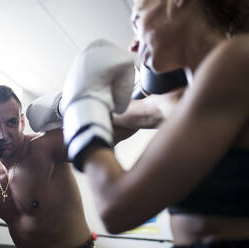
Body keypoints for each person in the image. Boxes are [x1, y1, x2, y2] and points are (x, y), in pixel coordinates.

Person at [57, 0, 249, 247]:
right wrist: (65, 105)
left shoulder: (238, 61)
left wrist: (82, 105)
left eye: (137, 20)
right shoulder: (189, 98)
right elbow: (138, 110)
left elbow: (115, 208)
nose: (134, 44)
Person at [0, 85, 94, 248]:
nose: (3, 135)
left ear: (21, 121)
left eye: (11, 123)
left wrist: (67, 108)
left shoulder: (44, 147)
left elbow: (107, 136)